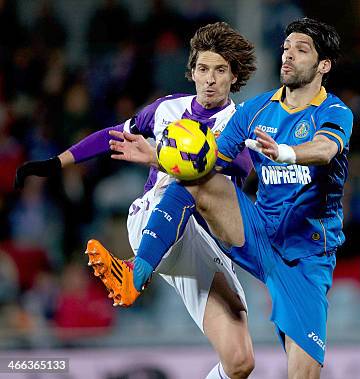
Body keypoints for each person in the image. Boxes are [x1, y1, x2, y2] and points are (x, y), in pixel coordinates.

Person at [110, 17, 352, 379]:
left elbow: (324, 149)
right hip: (259, 232)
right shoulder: (255, 111)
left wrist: (287, 153)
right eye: (286, 48)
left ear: (323, 65)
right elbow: (206, 163)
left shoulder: (334, 112)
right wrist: (160, 156)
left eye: (300, 51)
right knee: (198, 178)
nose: (288, 56)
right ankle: (136, 271)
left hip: (306, 257)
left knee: (301, 374)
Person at [14, 22, 257, 379]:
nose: (210, 79)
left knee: (240, 361)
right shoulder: (166, 111)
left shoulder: (242, 125)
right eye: (203, 69)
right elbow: (113, 136)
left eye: (220, 70)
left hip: (203, 242)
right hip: (153, 219)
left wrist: (158, 155)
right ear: (191, 71)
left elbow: (237, 165)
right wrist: (57, 162)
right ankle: (134, 271)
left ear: (234, 76)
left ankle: (137, 271)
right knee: (185, 184)